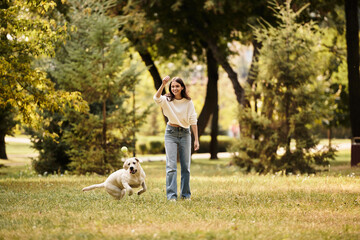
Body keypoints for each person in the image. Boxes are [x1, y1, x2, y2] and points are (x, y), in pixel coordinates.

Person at [154, 76, 199, 201]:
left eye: (177, 86)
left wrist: (196, 139)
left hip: (185, 133)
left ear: (182, 87)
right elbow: (156, 98)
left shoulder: (188, 102)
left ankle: (185, 195)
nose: (174, 88)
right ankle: (171, 196)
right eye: (172, 86)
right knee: (171, 166)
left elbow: (193, 120)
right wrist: (163, 84)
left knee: (186, 167)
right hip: (170, 133)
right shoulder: (166, 99)